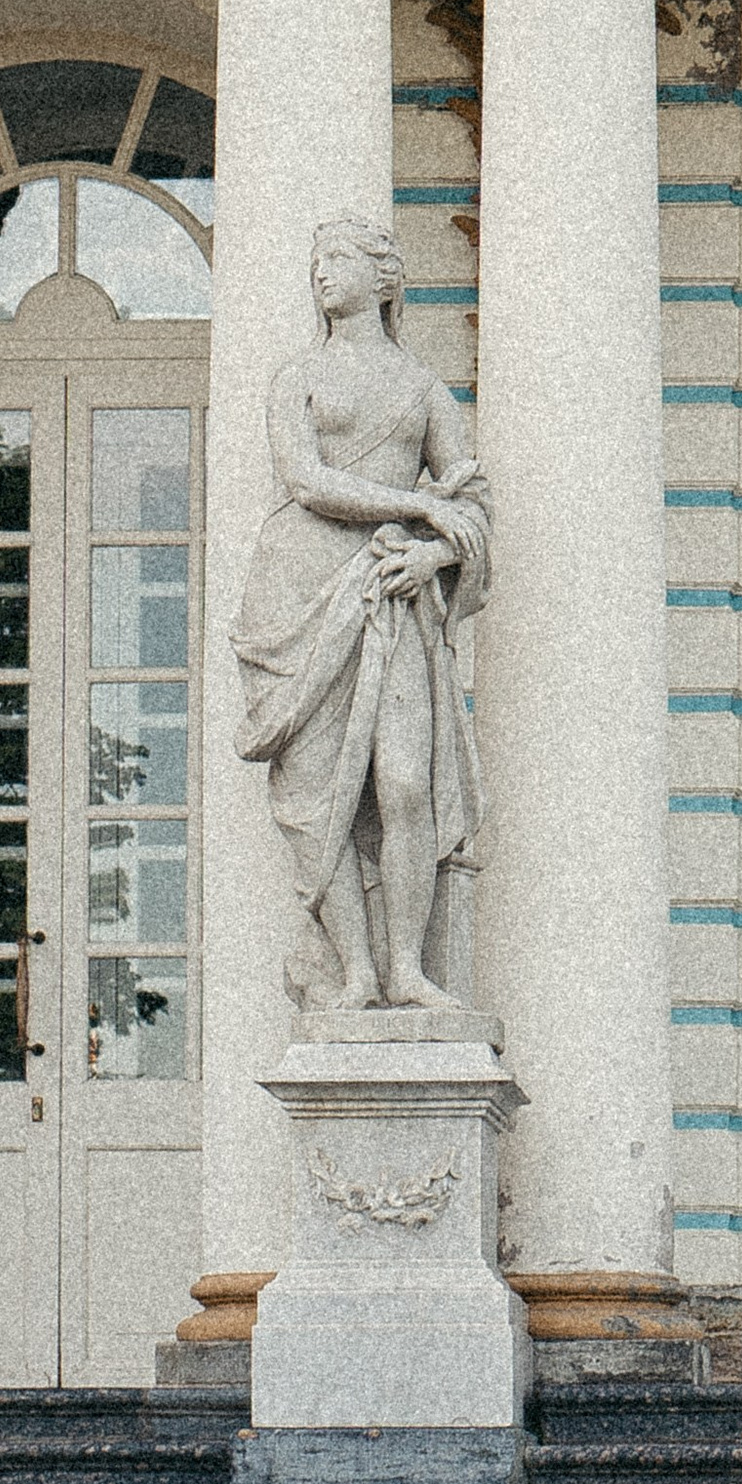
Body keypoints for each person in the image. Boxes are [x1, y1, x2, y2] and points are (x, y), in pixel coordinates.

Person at [231, 217, 492, 1012]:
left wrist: (433, 556)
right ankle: (357, 973)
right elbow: (306, 481)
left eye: (337, 259)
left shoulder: (421, 387)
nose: (321, 273)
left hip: (390, 592)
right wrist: (418, 506)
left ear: (385, 280)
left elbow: (473, 502)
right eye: (315, 261)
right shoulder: (295, 378)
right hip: (298, 591)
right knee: (319, 798)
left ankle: (408, 968)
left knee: (406, 783)